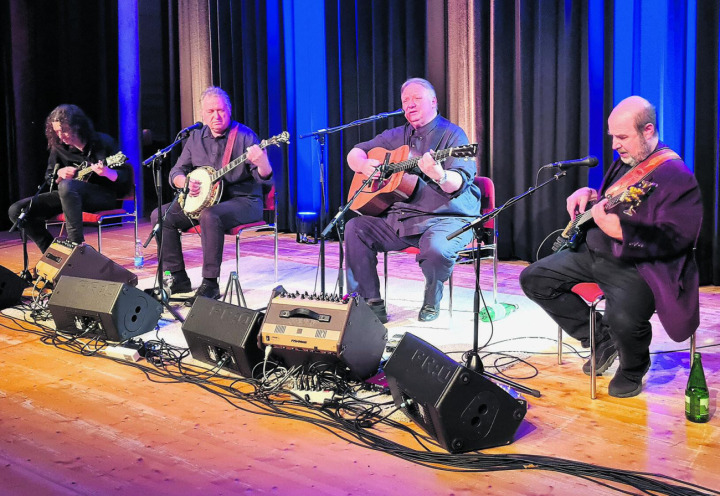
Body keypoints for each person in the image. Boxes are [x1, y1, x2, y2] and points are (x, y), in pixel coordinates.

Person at [520, 96, 703, 398]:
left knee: (624, 319)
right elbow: (614, 200)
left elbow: (677, 239)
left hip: (636, 265)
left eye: (622, 137)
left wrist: (622, 231)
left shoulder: (677, 176)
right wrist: (590, 194)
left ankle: (633, 367)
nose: (615, 145)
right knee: (534, 279)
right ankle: (600, 337)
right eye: (612, 137)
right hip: (593, 251)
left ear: (647, 130)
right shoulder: (628, 160)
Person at [344, 78, 481, 323]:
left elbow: (459, 182)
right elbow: (355, 152)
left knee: (437, 249)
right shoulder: (395, 135)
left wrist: (439, 174)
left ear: (433, 101)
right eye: (405, 101)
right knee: (355, 228)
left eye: (416, 99)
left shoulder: (453, 135)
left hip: (447, 217)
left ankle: (432, 298)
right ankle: (370, 303)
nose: (410, 105)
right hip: (402, 218)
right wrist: (364, 165)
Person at [151, 86, 273, 306]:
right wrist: (185, 182)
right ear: (203, 114)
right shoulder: (195, 137)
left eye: (221, 110)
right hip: (207, 201)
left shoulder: (245, 136)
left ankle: (210, 283)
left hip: (243, 200)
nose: (216, 116)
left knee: (209, 215)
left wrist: (262, 161)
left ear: (229, 110)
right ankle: (177, 277)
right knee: (160, 215)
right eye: (210, 112)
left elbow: (265, 178)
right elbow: (176, 171)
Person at [8, 104, 131, 253]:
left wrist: (106, 172)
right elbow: (49, 177)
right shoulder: (58, 148)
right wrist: (59, 173)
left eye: (64, 130)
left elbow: (124, 176)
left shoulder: (103, 142)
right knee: (17, 210)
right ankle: (52, 253)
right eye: (57, 131)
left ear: (77, 126)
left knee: (68, 186)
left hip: (101, 196)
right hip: (67, 196)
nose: (60, 136)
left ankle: (76, 245)